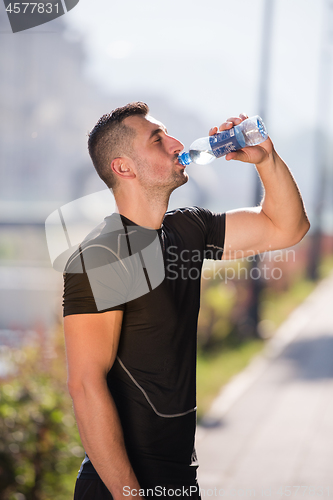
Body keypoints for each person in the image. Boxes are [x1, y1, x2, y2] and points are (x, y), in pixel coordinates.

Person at [63, 102, 310, 500]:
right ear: (124, 168)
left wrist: (266, 158)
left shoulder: (188, 229)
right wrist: (130, 495)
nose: (176, 143)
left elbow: (288, 227)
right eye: (157, 139)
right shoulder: (103, 256)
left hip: (180, 480)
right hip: (120, 484)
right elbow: (85, 385)